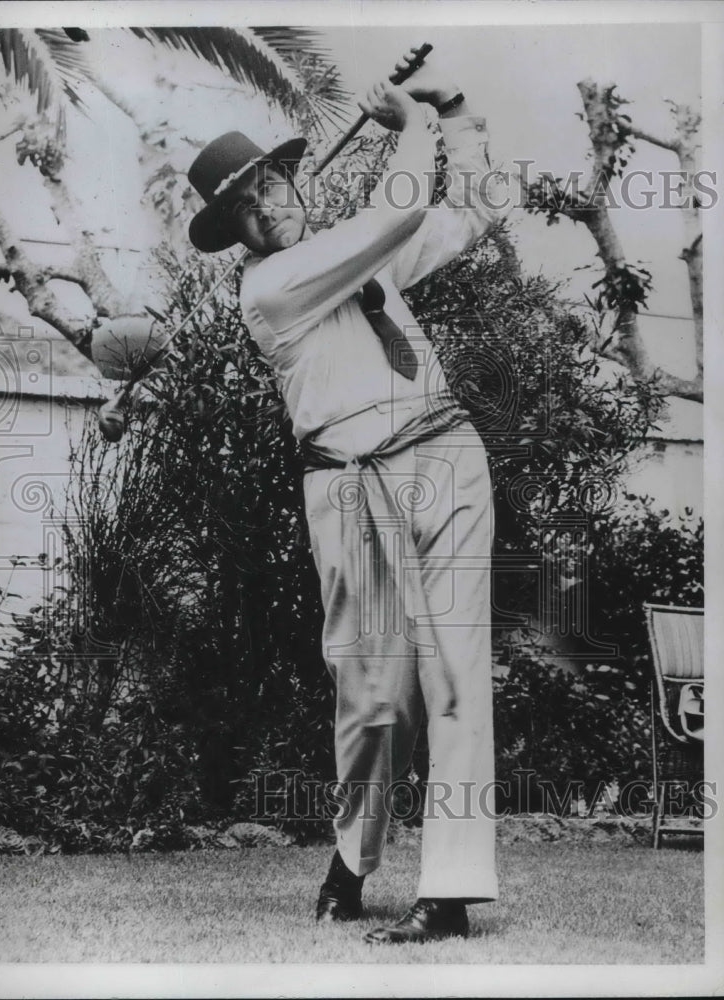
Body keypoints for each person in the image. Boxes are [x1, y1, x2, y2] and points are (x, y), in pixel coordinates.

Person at [186, 49, 509, 945]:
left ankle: (448, 892)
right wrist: (408, 127)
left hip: (445, 459)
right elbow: (401, 202)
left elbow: (476, 209)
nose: (265, 209)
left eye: (272, 186)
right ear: (236, 236)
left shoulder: (365, 265)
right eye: (244, 208)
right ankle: (353, 859)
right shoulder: (270, 290)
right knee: (374, 699)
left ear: (296, 179)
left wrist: (454, 114)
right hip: (348, 492)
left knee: (453, 677)